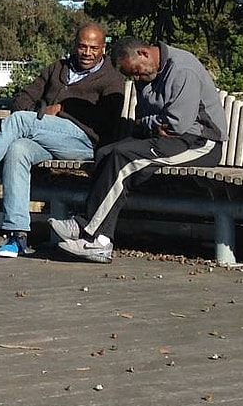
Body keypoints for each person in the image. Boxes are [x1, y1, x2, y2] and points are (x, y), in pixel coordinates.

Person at [0, 23, 125, 257]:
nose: (87, 53)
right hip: (46, 135)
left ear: (103, 49)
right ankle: (16, 236)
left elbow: (106, 121)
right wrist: (43, 110)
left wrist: (61, 112)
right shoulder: (57, 69)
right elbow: (21, 100)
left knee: (19, 122)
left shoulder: (111, 79)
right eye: (82, 46)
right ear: (74, 45)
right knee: (17, 149)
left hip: (83, 141)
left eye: (93, 48)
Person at [50, 37, 228, 263]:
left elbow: (177, 124)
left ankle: (87, 228)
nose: (137, 78)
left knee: (124, 158)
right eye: (132, 76)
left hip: (201, 143)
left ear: (144, 53)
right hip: (170, 139)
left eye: (137, 72)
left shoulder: (183, 69)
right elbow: (144, 118)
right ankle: (101, 241)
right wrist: (155, 123)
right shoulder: (148, 72)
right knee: (107, 153)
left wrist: (156, 123)